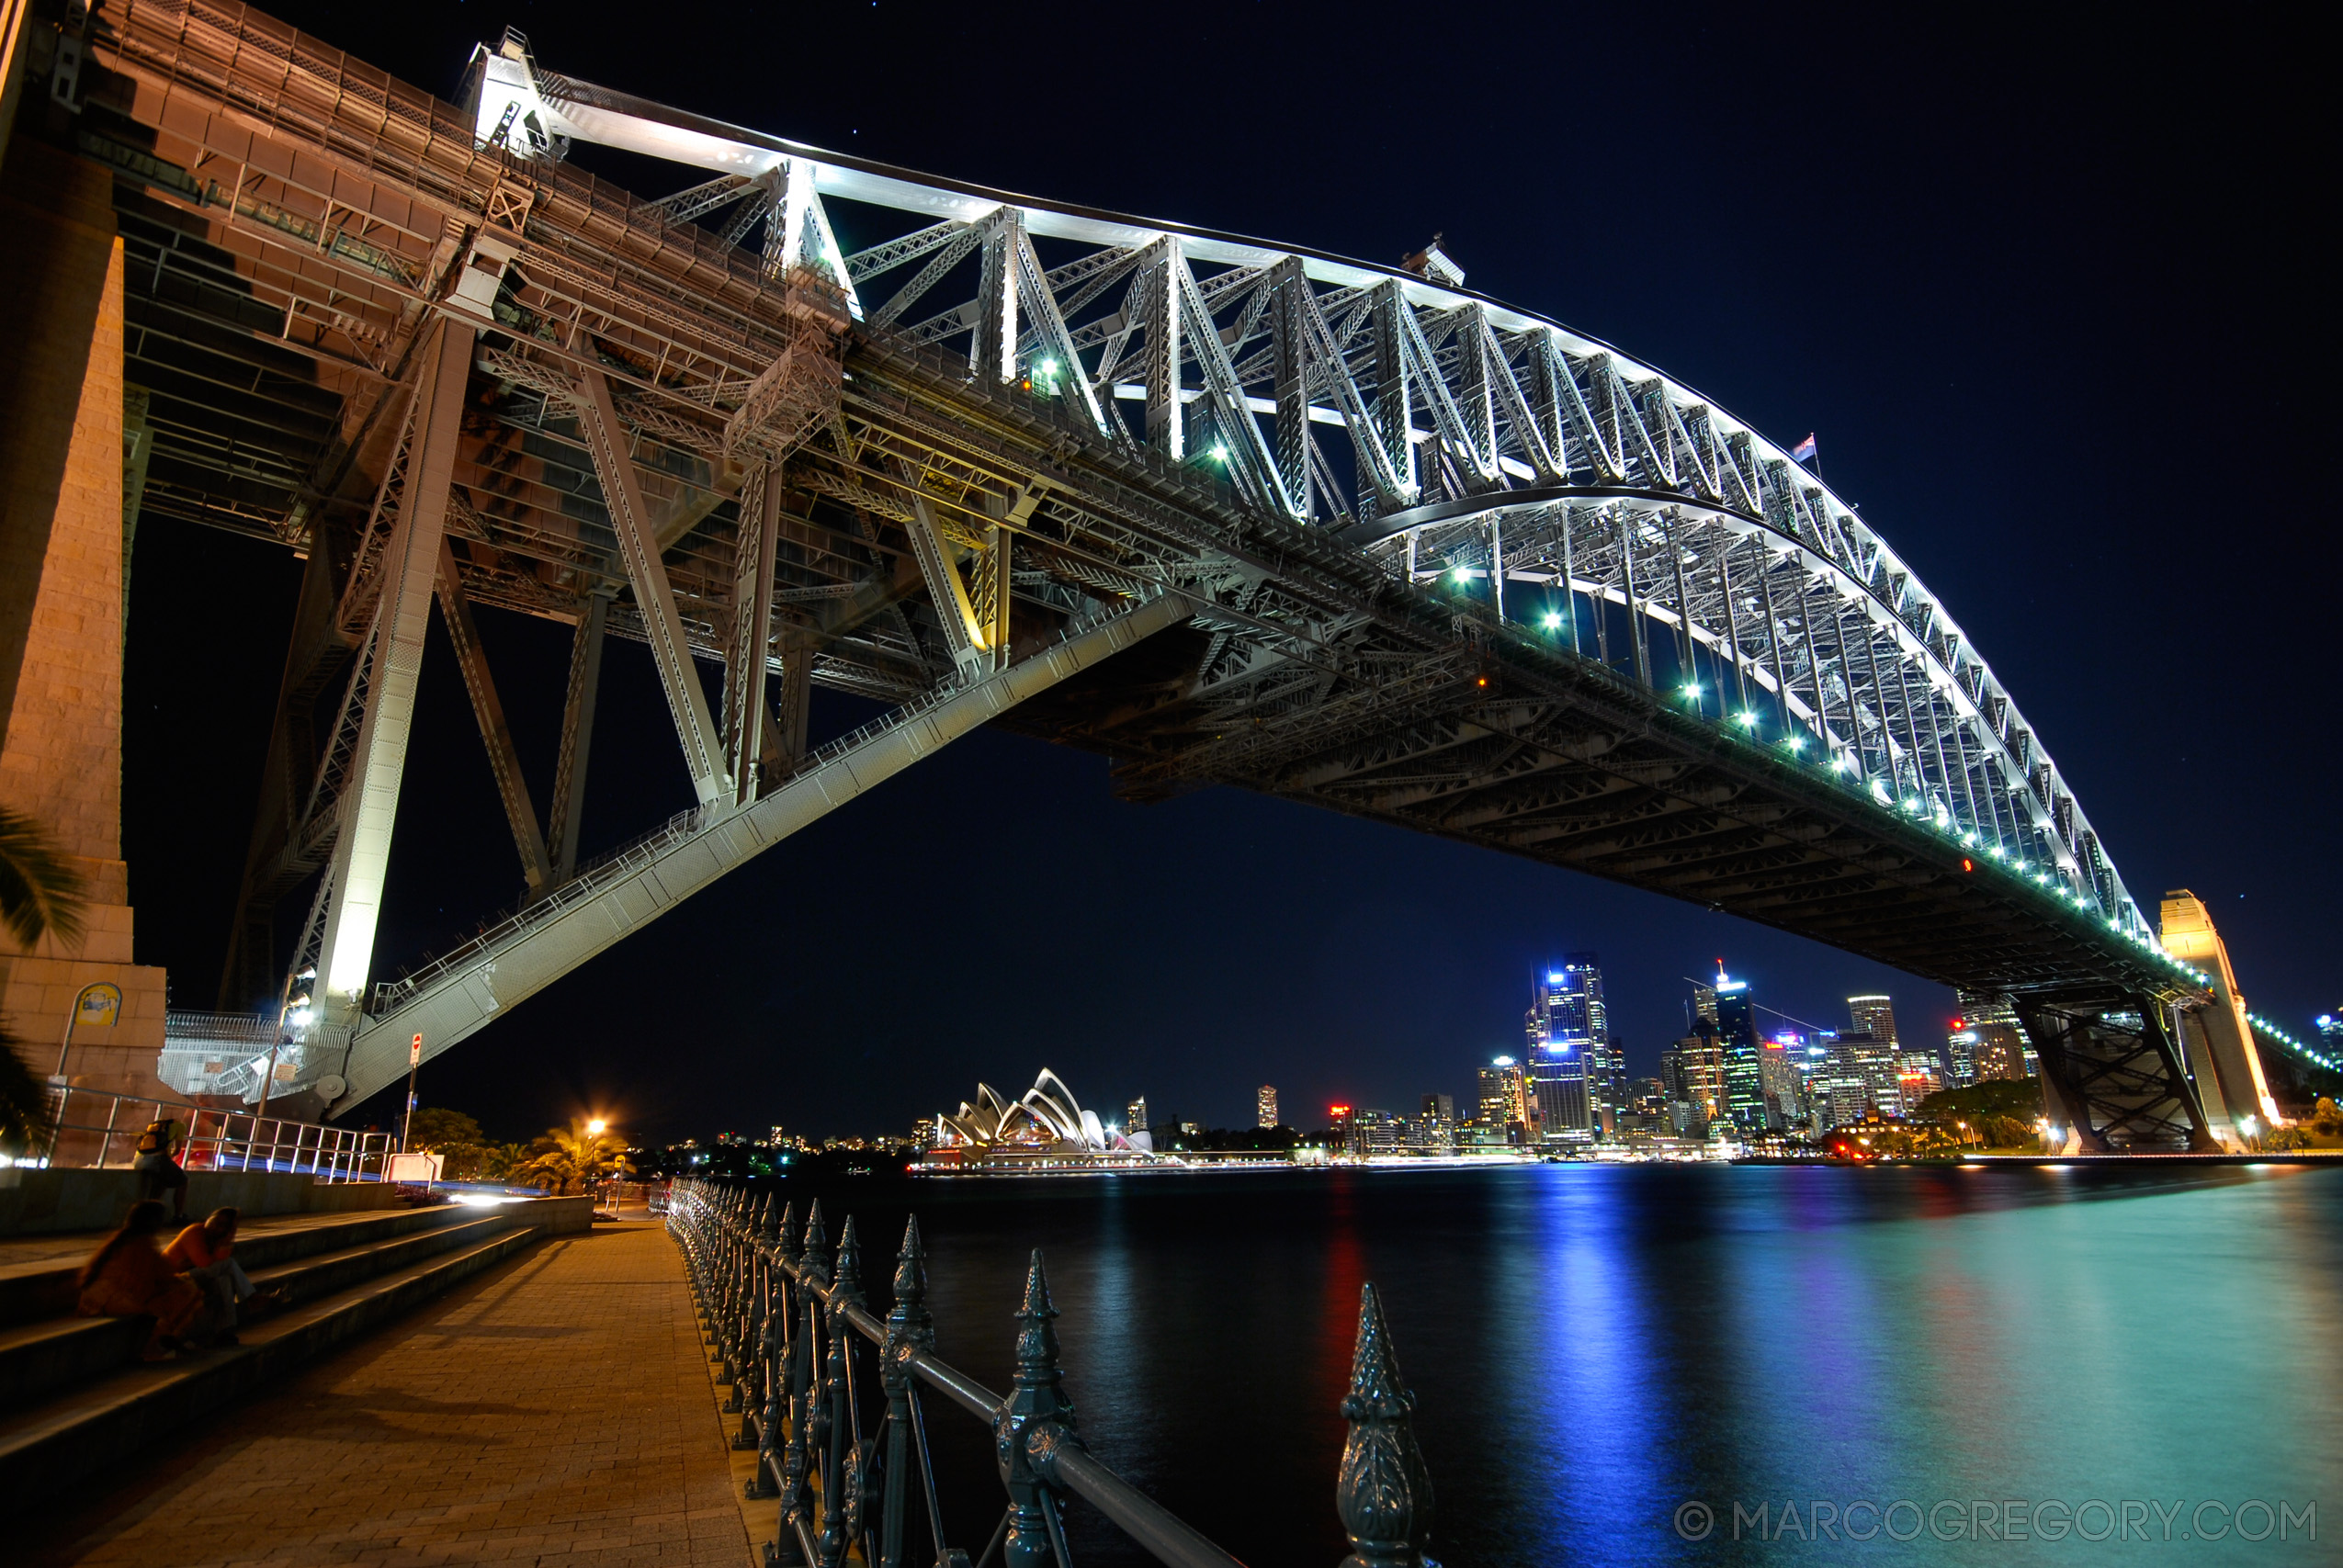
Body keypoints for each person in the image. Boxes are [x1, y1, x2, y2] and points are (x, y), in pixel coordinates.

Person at [77, 1201, 202, 1359]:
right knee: (185, 1291)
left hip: (101, 1298)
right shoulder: (140, 1243)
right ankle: (158, 1344)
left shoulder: (129, 1239)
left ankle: (168, 1339)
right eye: (160, 1218)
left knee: (181, 1287)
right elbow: (151, 1281)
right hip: (107, 1300)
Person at [164, 1207, 256, 1345]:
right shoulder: (194, 1232)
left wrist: (226, 1239)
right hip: (174, 1281)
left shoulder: (215, 1239)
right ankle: (251, 1298)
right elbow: (205, 1263)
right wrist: (224, 1245)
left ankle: (225, 1330)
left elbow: (215, 1262)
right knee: (228, 1264)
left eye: (222, 1225)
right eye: (214, 1220)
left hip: (193, 1278)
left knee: (223, 1280)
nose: (214, 1226)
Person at [131, 1116, 189, 1221]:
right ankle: (178, 1216)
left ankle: (148, 1214)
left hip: (138, 1160)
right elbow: (177, 1150)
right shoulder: (181, 1125)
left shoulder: (155, 1125)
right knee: (183, 1180)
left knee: (162, 1181)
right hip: (157, 1160)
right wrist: (169, 1158)